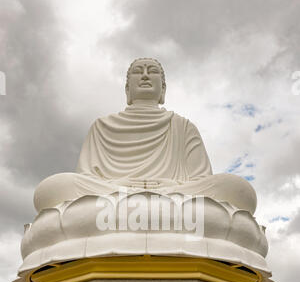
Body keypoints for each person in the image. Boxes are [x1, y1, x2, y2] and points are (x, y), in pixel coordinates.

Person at [33, 57, 257, 216]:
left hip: (172, 194)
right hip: (114, 195)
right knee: (50, 190)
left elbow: (200, 179)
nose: (146, 75)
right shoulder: (101, 126)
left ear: (163, 89)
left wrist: (166, 186)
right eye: (138, 72)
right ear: (127, 89)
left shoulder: (182, 126)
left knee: (238, 190)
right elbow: (88, 178)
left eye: (153, 71)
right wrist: (121, 185)